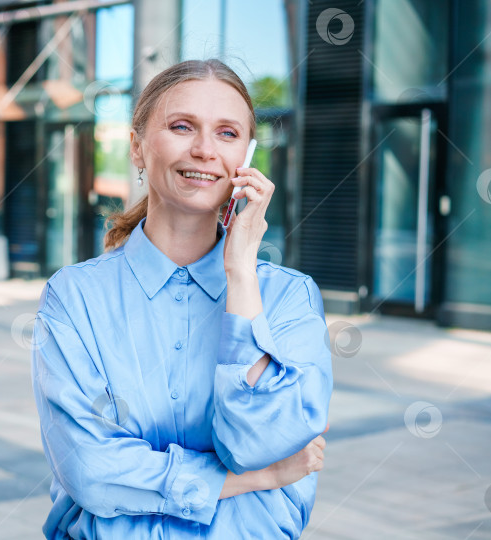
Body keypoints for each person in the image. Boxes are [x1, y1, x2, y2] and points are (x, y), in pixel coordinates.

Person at [31, 59, 333, 539]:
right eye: (181, 126)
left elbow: (255, 442)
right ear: (137, 147)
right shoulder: (75, 297)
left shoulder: (288, 299)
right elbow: (90, 471)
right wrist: (256, 479)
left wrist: (240, 274)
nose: (204, 150)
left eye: (228, 133)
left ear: (248, 156)